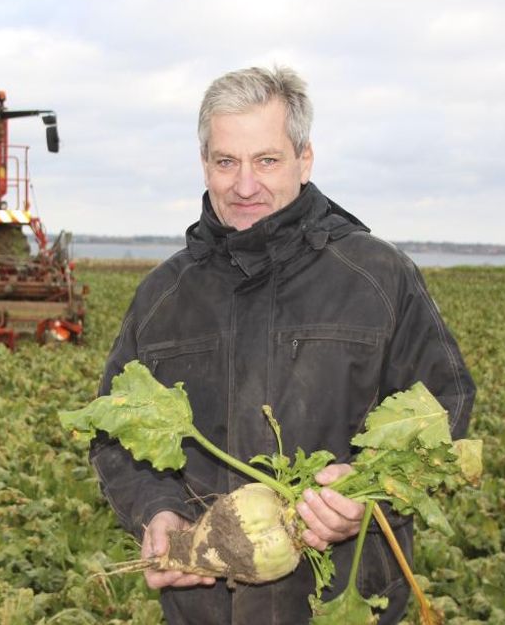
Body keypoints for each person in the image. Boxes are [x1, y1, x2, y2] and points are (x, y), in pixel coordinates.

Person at [90, 65, 475, 624]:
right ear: (205, 164)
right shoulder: (161, 298)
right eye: (227, 162)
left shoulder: (377, 276)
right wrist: (157, 511)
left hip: (345, 599)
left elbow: (447, 402)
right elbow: (113, 434)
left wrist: (372, 489)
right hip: (204, 609)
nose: (245, 185)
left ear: (304, 159)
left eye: (266, 160)